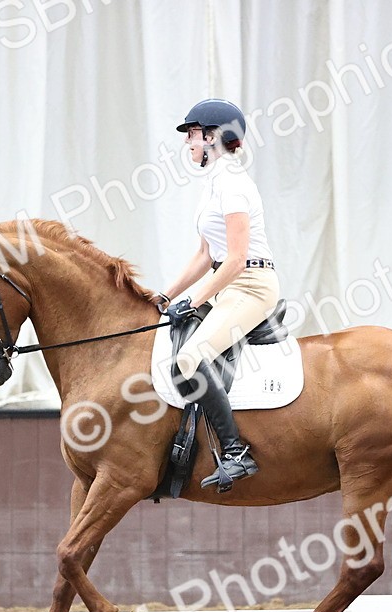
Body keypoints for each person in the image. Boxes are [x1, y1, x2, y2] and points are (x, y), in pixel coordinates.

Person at [155, 99, 281, 491]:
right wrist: (164, 296)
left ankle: (236, 453)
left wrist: (193, 301)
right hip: (226, 283)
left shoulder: (233, 184)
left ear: (211, 137)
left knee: (190, 358)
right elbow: (205, 255)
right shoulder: (213, 184)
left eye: (193, 135)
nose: (188, 143)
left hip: (251, 285)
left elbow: (237, 260)